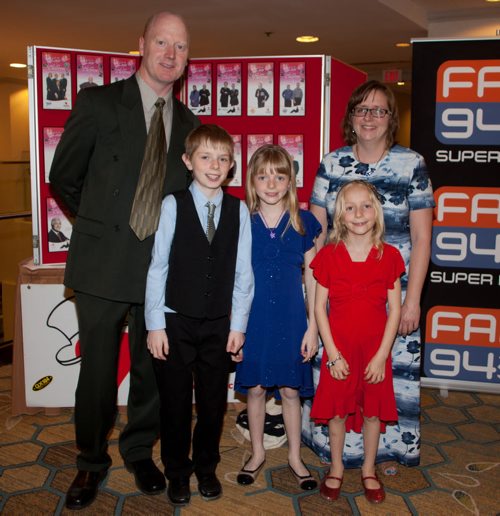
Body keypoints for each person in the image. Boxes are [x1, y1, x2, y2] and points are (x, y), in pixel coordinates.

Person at [49, 12, 200, 510]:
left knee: (151, 371)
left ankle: (139, 452)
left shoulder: (191, 127)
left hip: (159, 272)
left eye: (179, 47)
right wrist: (97, 226)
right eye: (162, 42)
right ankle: (90, 463)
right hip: (100, 266)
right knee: (95, 372)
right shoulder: (97, 103)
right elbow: (64, 178)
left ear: (186, 57)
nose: (170, 54)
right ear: (141, 44)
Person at [302, 80, 434, 471]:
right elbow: (316, 232)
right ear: (351, 118)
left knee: (387, 378)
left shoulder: (412, 164)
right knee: (338, 375)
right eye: (362, 109)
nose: (370, 118)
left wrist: (412, 300)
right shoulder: (331, 163)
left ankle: (388, 453)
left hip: (391, 295)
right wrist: (312, 302)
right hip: (338, 296)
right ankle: (340, 458)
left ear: (391, 119)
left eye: (379, 110)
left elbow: (423, 239)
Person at [145, 124, 254, 507]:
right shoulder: (173, 204)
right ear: (188, 161)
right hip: (175, 321)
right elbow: (158, 267)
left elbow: (243, 273)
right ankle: (177, 471)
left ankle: (206, 468)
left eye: (223, 158)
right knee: (175, 403)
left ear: (231, 166)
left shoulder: (238, 209)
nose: (214, 165)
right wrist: (155, 324)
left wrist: (238, 325)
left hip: (218, 324)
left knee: (212, 403)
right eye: (205, 157)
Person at [310, 180, 405, 503]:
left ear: (375, 212)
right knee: (336, 412)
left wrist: (381, 356)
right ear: (340, 216)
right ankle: (335, 467)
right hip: (340, 353)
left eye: (365, 206)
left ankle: (368, 469)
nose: (358, 213)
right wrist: (333, 355)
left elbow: (395, 311)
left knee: (372, 413)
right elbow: (319, 309)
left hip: (376, 352)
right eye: (350, 207)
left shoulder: (389, 256)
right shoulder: (329, 255)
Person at [234, 144, 320, 490]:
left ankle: (295, 456)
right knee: (254, 389)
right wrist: (234, 329)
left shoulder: (304, 222)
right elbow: (234, 279)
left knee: (289, 391)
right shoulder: (242, 222)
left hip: (292, 319)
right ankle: (256, 452)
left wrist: (313, 327)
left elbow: (315, 278)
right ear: (252, 182)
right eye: (263, 176)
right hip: (253, 320)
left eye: (279, 175)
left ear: (290, 181)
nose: (271, 183)